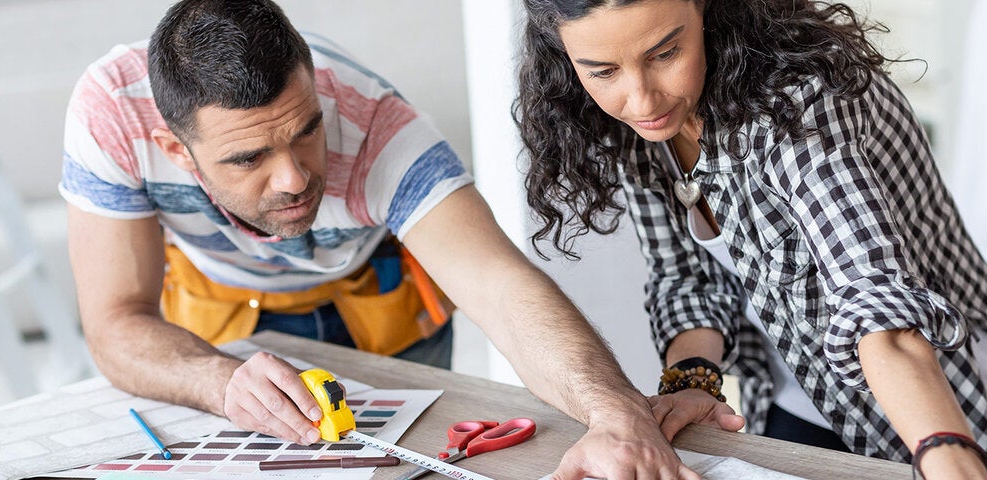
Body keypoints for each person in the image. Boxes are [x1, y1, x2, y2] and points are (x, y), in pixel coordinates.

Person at [62, 0, 697, 477]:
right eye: (248, 157)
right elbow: (115, 321)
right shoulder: (112, 115)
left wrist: (618, 415)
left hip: (380, 303)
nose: (294, 178)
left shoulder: (375, 126)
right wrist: (218, 381)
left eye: (307, 130)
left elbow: (503, 288)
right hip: (226, 309)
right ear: (175, 149)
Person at [515, 0, 987, 478]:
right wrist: (693, 380)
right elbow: (688, 278)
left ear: (706, 8)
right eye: (603, 71)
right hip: (793, 378)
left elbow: (872, 298)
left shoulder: (799, 100)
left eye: (665, 54)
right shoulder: (634, 128)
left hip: (925, 384)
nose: (642, 99)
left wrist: (943, 449)